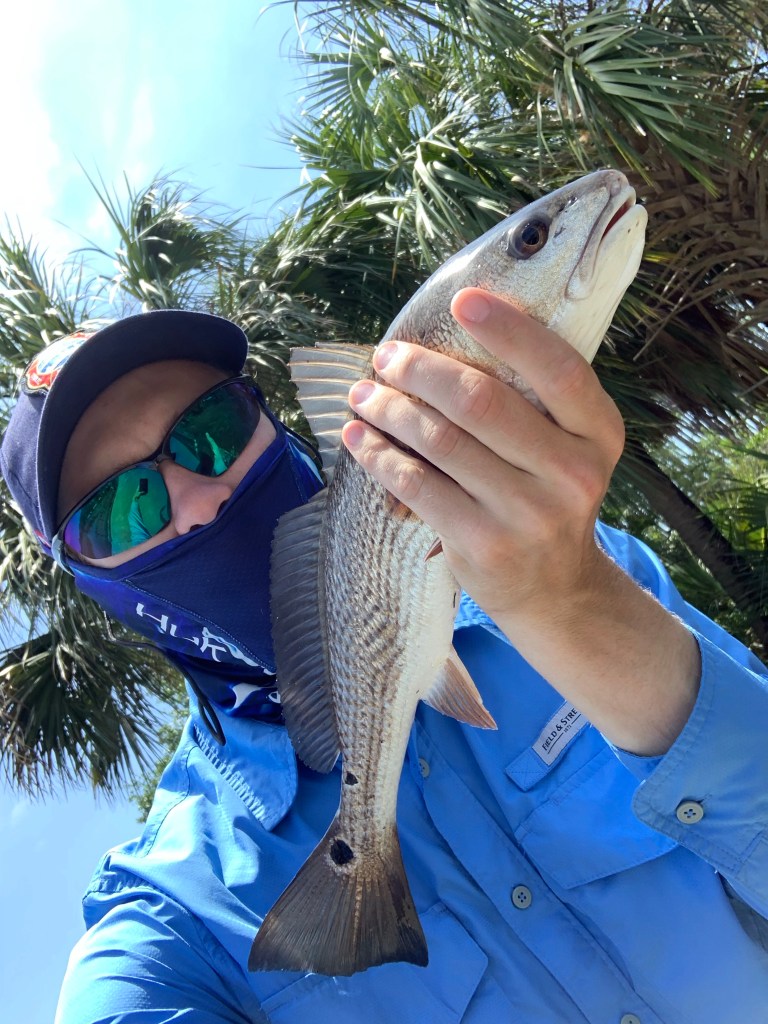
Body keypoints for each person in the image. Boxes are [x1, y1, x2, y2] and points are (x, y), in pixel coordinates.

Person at [2, 293, 768, 1024]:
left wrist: (572, 606)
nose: (202, 501)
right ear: (96, 582)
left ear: (268, 416)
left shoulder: (590, 572)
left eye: (212, 429)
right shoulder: (177, 908)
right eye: (121, 508)